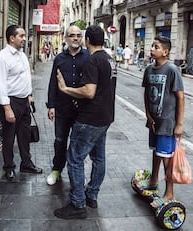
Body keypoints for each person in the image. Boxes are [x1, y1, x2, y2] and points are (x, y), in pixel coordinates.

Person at [53, 25, 116, 219]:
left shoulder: (92, 61)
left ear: (87, 39)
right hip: (105, 117)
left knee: (75, 159)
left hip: (89, 119)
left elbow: (89, 92)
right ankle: (91, 195)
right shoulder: (109, 59)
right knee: (98, 158)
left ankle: (78, 203)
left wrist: (65, 89)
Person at [0, 25, 43, 182]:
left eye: (24, 35)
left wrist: (29, 95)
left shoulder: (22, 54)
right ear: (11, 38)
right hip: (10, 102)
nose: (25, 38)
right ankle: (8, 167)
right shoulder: (1, 58)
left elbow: (25, 78)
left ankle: (26, 163)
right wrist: (7, 108)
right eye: (21, 35)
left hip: (24, 101)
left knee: (24, 135)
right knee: (8, 137)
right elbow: (0, 86)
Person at [141, 36, 185, 208]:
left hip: (167, 122)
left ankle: (169, 193)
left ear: (165, 52)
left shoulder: (172, 70)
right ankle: (153, 180)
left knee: (166, 157)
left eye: (156, 47)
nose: (152, 49)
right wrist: (148, 115)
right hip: (154, 121)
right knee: (156, 152)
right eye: (152, 45)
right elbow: (146, 94)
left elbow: (181, 98)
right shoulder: (149, 70)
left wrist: (179, 124)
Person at [45, 25, 89, 185]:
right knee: (59, 140)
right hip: (62, 108)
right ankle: (56, 169)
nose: (75, 38)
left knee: (78, 144)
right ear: (66, 38)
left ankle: (77, 174)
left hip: (81, 110)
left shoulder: (88, 57)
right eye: (72, 35)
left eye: (78, 35)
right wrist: (51, 106)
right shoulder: (59, 59)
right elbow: (52, 83)